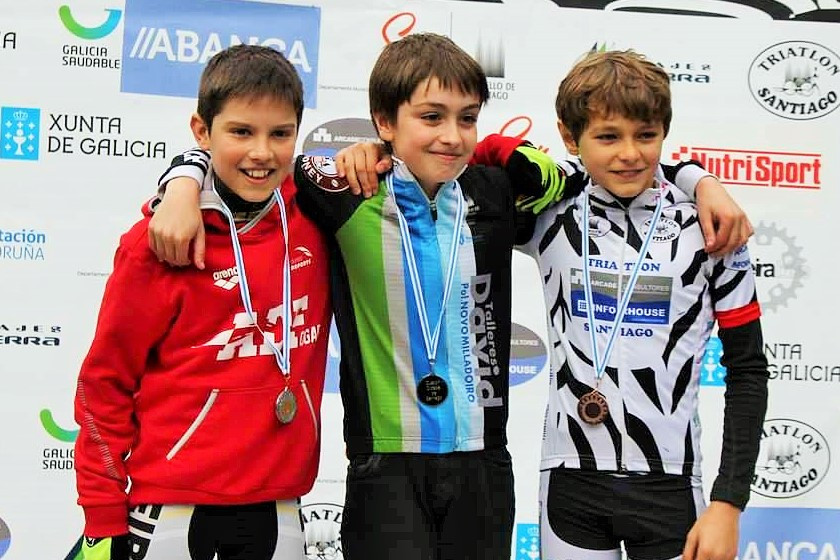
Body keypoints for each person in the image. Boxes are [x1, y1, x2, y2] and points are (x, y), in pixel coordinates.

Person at [147, 35, 751, 560]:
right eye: (431, 117)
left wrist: (699, 178)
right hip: (384, 467)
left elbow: (599, 166)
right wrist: (181, 183)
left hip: (483, 468)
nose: (452, 135)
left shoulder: (498, 192)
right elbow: (250, 166)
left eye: (467, 119)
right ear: (384, 122)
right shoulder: (344, 189)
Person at [73, 45, 332, 560]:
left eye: (280, 134)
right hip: (170, 508)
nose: (262, 152)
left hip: (281, 505)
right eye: (241, 132)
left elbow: (429, 154)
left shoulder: (320, 216)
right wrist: (102, 517)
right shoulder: (158, 244)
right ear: (201, 131)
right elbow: (104, 385)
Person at [514, 50, 768, 560]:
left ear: (664, 132)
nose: (629, 153)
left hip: (671, 482)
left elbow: (747, 369)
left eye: (646, 135)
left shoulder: (711, 225)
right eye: (608, 137)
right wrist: (699, 174)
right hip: (571, 479)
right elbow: (465, 166)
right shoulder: (550, 208)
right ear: (570, 137)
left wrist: (728, 502)